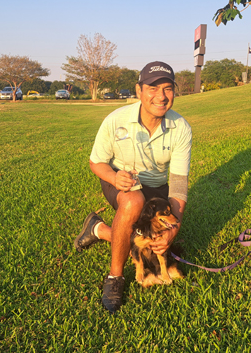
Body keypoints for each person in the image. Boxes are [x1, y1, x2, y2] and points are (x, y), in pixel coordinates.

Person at [74, 61, 192, 313]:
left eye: (168, 89)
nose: (161, 96)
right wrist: (115, 178)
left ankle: (98, 229)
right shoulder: (116, 120)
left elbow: (179, 183)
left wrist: (175, 228)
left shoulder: (180, 127)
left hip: (157, 188)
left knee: (153, 239)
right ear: (138, 91)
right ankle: (115, 277)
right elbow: (96, 162)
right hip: (118, 183)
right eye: (152, 88)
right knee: (133, 202)